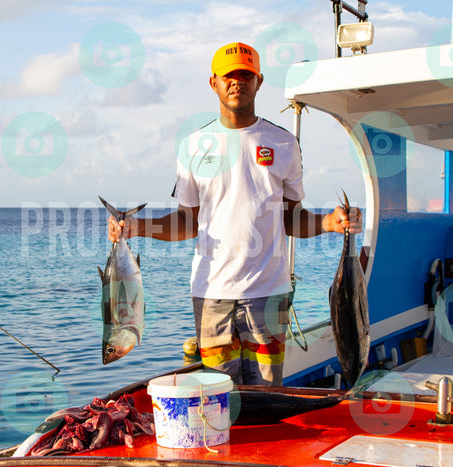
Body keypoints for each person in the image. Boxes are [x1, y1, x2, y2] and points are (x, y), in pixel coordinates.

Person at [107, 42, 362, 386]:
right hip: (212, 294)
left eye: (245, 75)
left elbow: (291, 218)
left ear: (259, 81)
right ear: (214, 83)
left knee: (267, 391)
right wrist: (136, 227)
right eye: (229, 76)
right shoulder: (194, 145)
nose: (237, 83)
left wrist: (328, 223)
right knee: (217, 394)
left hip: (269, 293)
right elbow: (186, 222)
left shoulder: (284, 143)